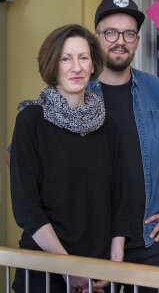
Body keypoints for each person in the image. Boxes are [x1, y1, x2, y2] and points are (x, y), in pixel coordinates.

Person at [88, 0, 159, 290]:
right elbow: (22, 156)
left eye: (128, 34)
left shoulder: (157, 91)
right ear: (96, 38)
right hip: (91, 244)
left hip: (152, 242)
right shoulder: (73, 91)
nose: (119, 41)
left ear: (136, 41)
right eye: (110, 32)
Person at [10, 24, 128, 293]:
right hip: (43, 274)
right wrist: (70, 269)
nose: (76, 67)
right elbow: (26, 209)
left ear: (93, 64)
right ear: (53, 64)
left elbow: (122, 201)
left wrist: (116, 265)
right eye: (66, 58)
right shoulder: (30, 122)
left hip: (99, 277)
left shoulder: (110, 125)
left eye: (83, 57)